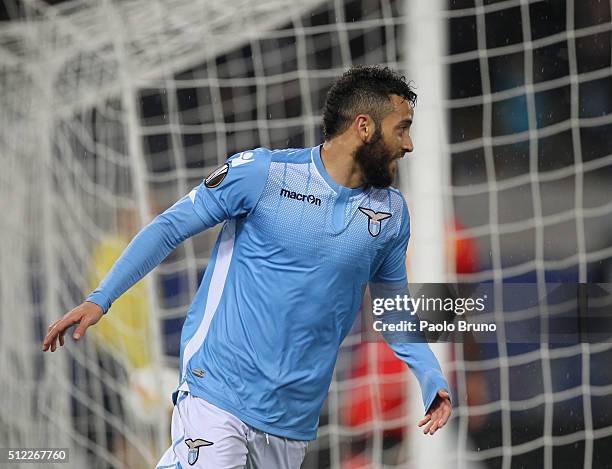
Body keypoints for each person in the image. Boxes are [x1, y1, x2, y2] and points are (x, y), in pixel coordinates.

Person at [43, 66, 452, 469]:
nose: (409, 144)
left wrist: (430, 375)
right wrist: (101, 298)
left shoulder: (390, 213)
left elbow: (394, 309)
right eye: (402, 128)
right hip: (220, 391)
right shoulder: (264, 174)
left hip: (292, 420)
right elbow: (169, 227)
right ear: (364, 127)